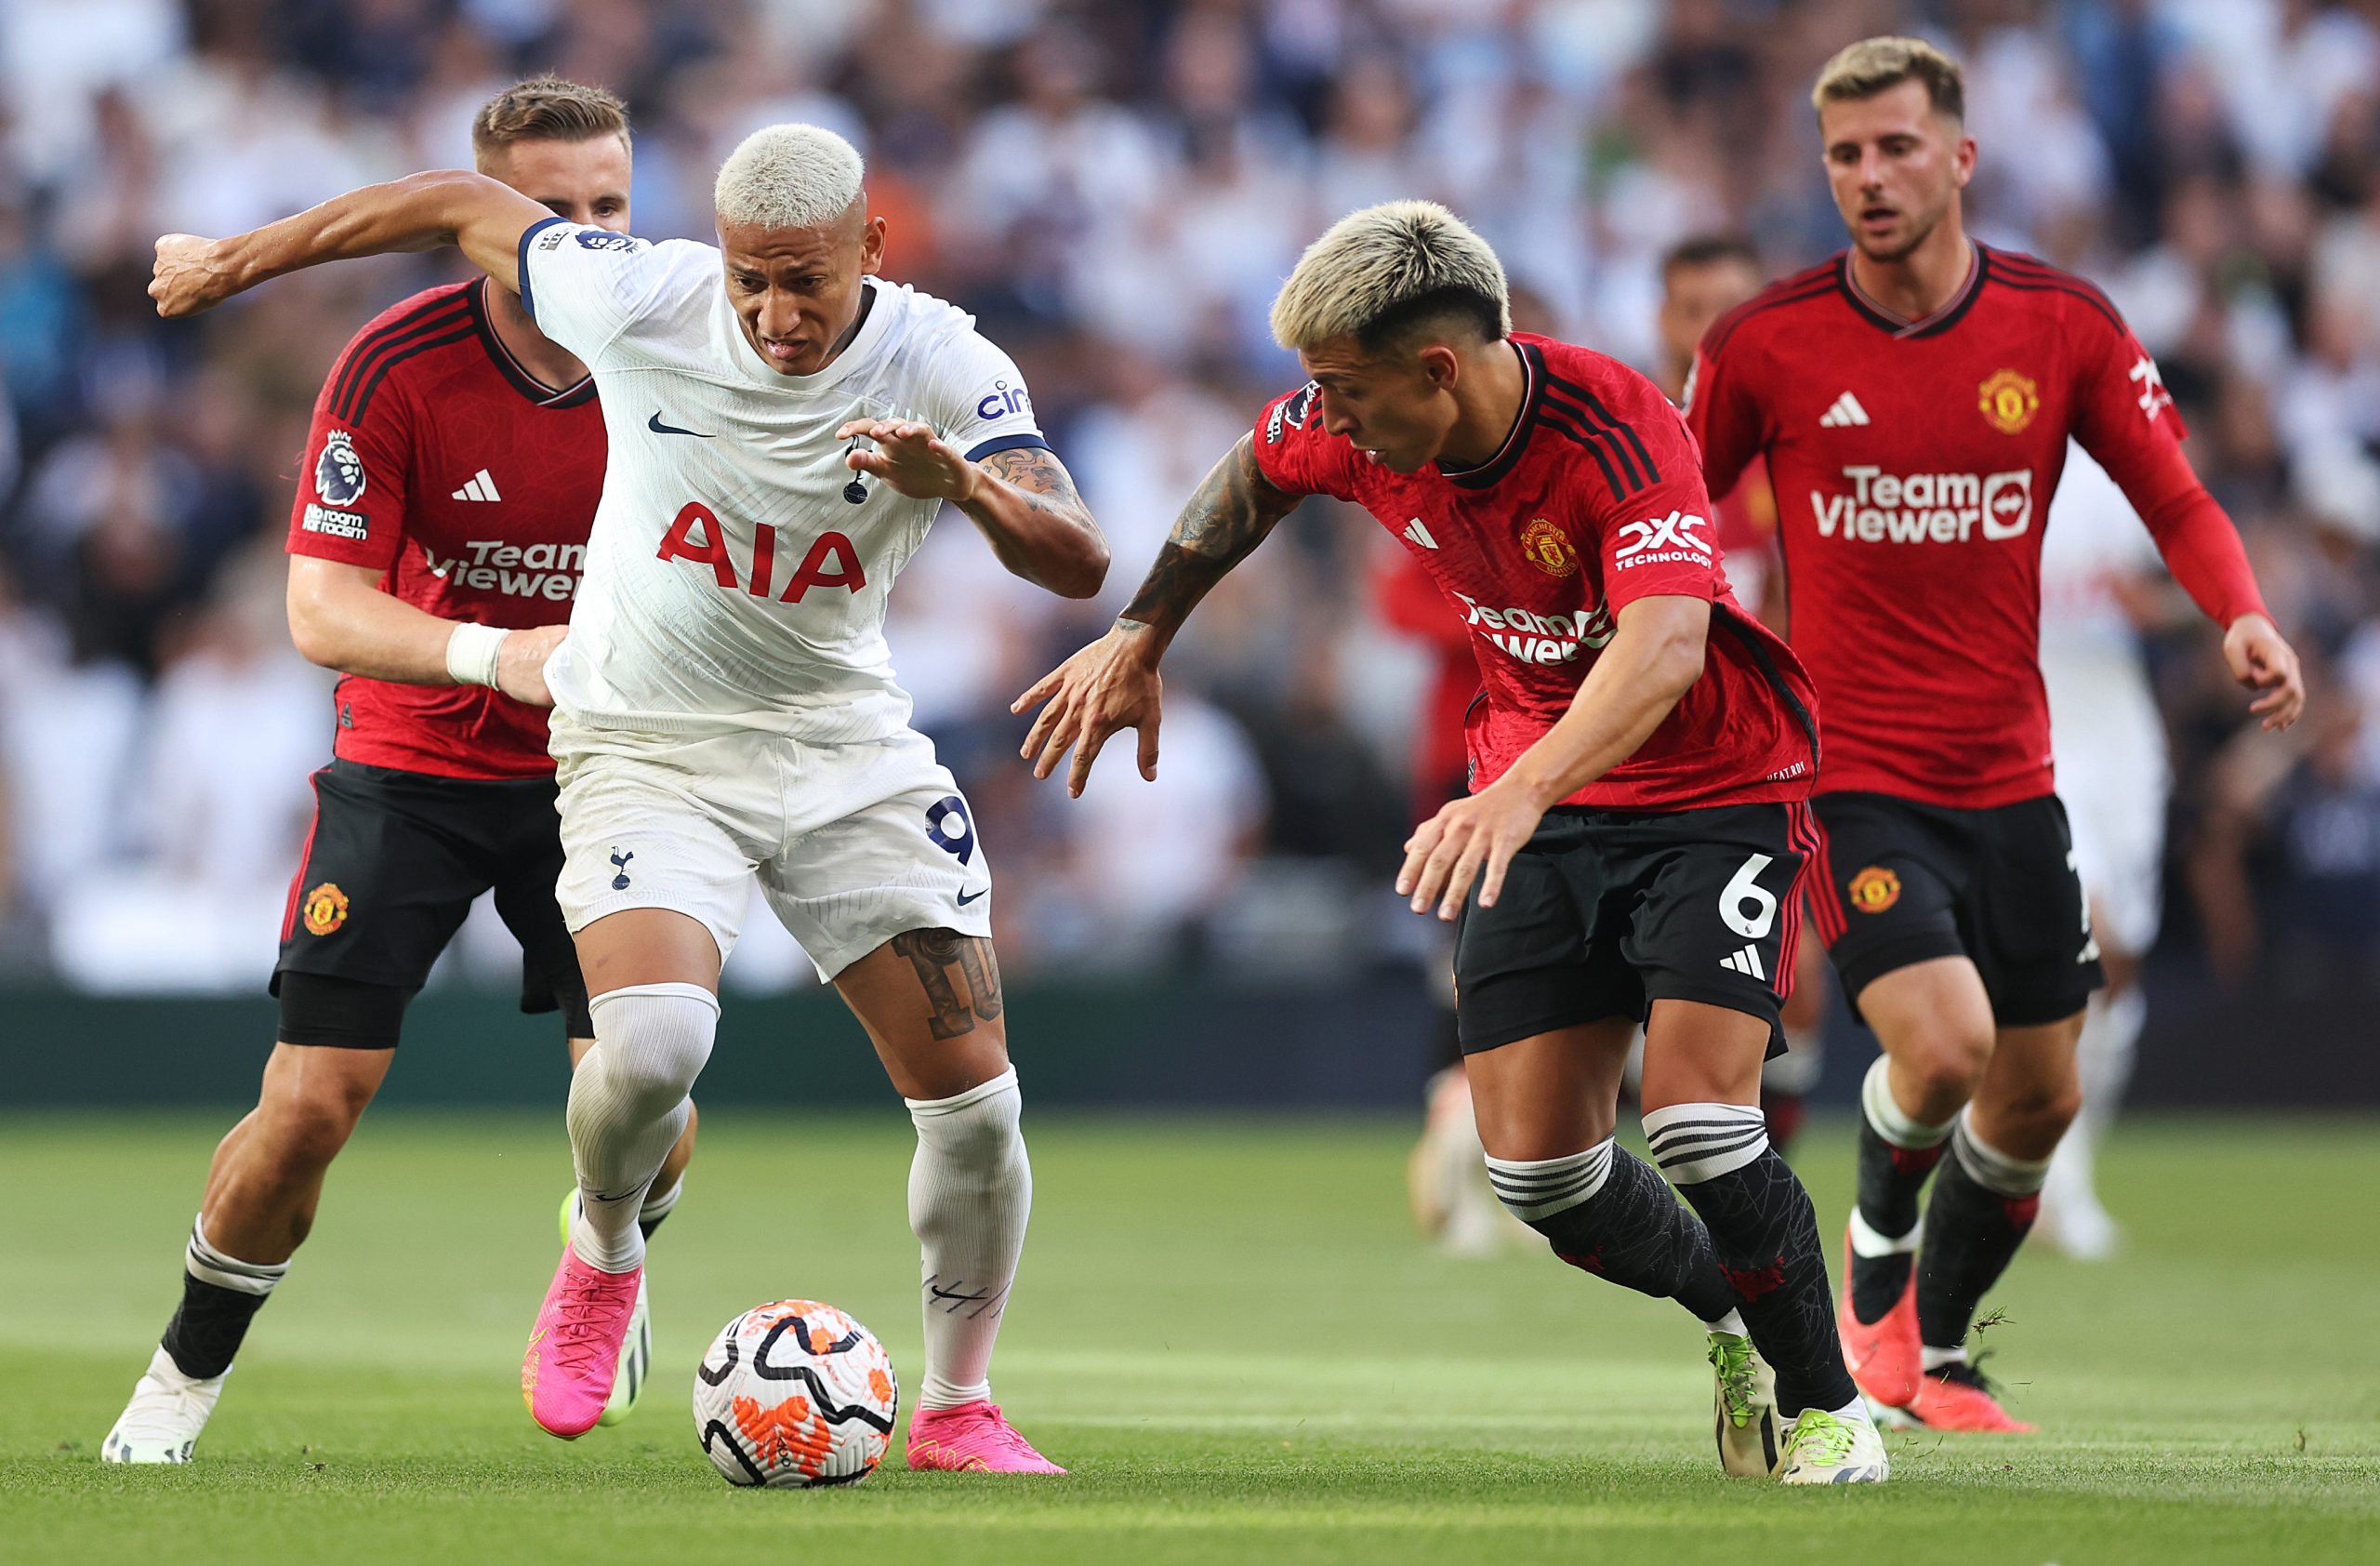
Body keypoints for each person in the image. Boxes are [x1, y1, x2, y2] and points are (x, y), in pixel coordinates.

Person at [149, 121, 1108, 1473]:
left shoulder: (946, 361)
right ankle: (602, 1243)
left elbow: (1075, 556)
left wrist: (960, 488)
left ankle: (958, 1408)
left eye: (807, 285)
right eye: (750, 280)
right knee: (653, 1052)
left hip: (844, 749)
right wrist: (237, 259)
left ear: (871, 251)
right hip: (647, 744)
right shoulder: (641, 292)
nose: (776, 314)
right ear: (715, 253)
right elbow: (446, 201)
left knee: (975, 1104)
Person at [1017, 200, 1887, 1484]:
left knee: (1702, 1123)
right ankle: (1735, 1319)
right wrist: (1145, 632)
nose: (1329, 415)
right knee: (1540, 1175)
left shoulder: (1617, 426)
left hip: (1710, 794)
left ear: (1437, 367)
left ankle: (1828, 1409)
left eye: (1346, 388)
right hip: (1534, 801)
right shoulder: (1353, 425)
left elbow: (1666, 646)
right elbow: (1247, 476)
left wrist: (1520, 788)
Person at [1686, 36, 2305, 1432]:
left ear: (1960, 157)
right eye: (1844, 154)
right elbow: (1673, 507)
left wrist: (2243, 614)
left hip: (2013, 778)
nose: (1869, 177)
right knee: (1946, 1048)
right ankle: (1870, 1286)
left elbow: (2180, 500)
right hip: (1850, 776)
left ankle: (1936, 1353)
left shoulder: (2061, 324)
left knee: (2037, 1102)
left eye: (1896, 147)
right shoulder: (1767, 343)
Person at [103, 78, 694, 1464]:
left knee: (651, 1097)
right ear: (481, 227)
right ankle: (176, 1387)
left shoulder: (676, 345)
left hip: (604, 766)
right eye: (555, 213)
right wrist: (504, 655)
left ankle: (604, 1250)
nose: (592, 239)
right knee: (309, 1106)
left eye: (612, 208)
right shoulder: (395, 364)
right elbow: (321, 609)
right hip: (416, 757)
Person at [1652, 235, 1826, 1158]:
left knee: (1792, 977)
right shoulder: (1629, 435)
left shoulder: (1794, 447)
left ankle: (1759, 1193)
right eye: (1695, 310)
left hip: (1760, 752)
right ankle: (1478, 1129)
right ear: (1662, 320)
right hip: (1633, 747)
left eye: (1735, 309)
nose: (1715, 332)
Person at [2034, 444, 2174, 1259]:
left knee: (2122, 973)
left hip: (2123, 743)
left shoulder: (2115, 474)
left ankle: (2061, 1172)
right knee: (2088, 945)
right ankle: (2062, 1190)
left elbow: (2163, 595)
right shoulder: (1974, 463)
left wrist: (2208, 601)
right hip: (2038, 740)